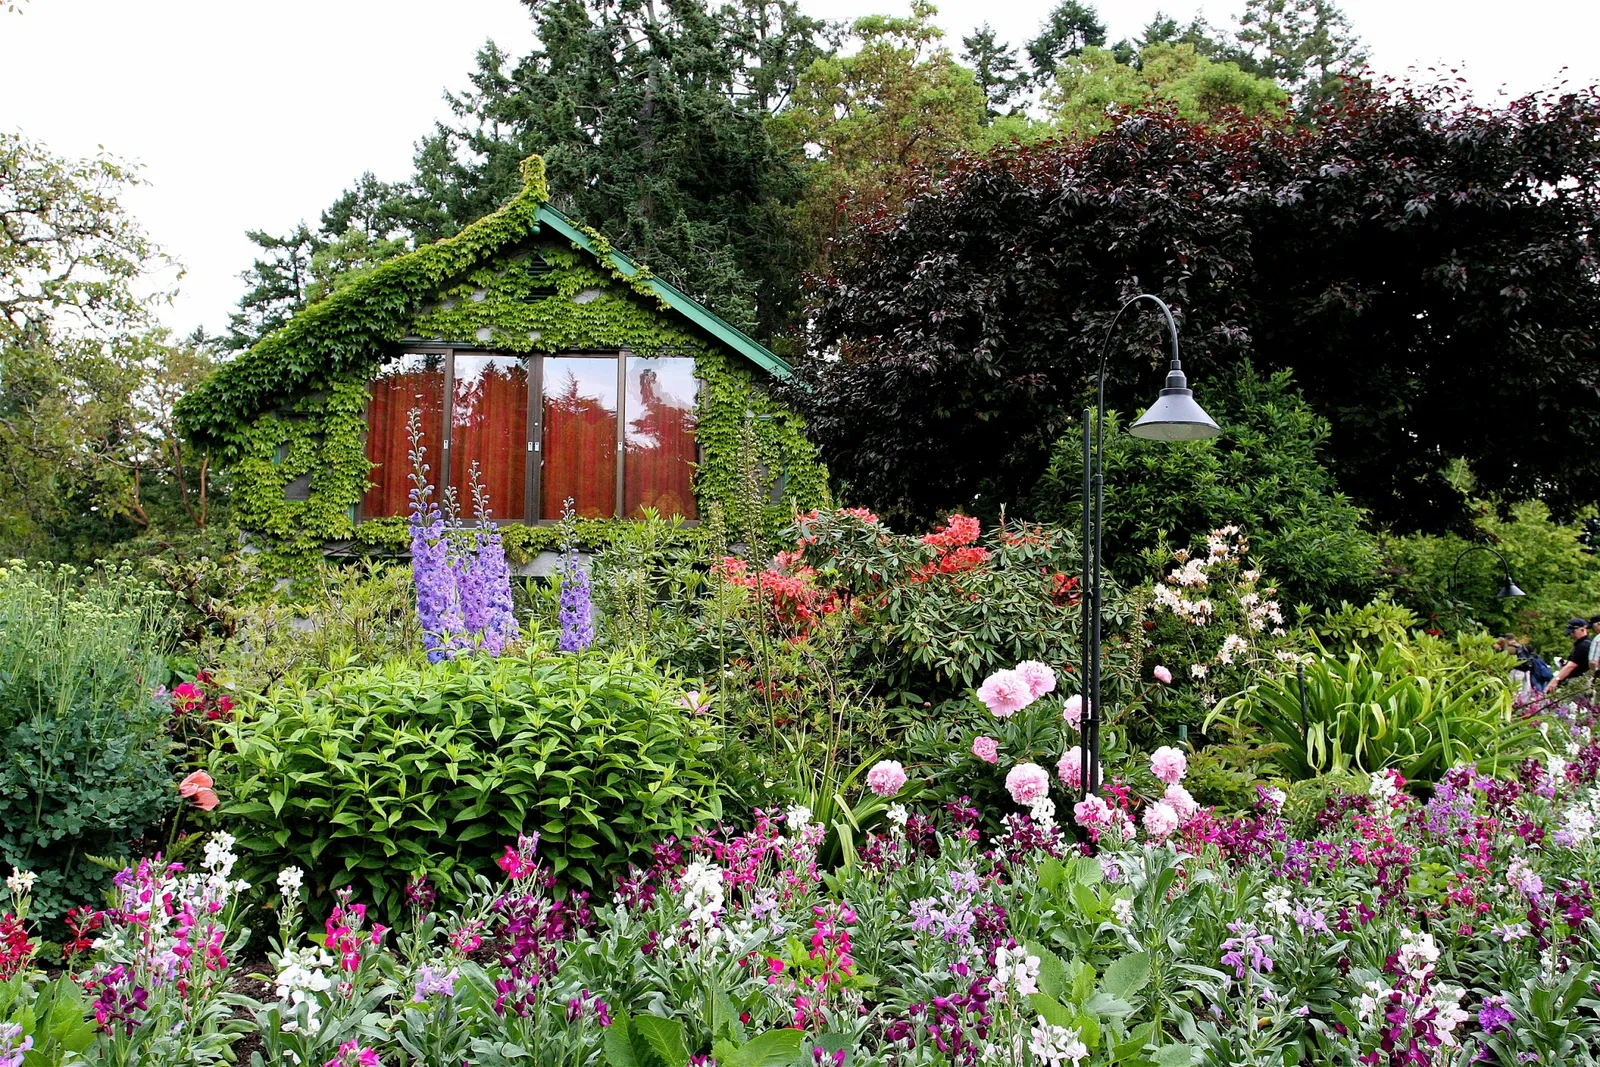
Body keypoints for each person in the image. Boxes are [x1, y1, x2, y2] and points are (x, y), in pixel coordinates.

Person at [1544, 618, 1593, 694]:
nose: (1571, 635)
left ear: (1582, 629)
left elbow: (1571, 666)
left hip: (1580, 681)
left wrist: (1555, 680)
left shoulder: (1583, 645)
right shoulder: (1584, 644)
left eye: (1573, 632)